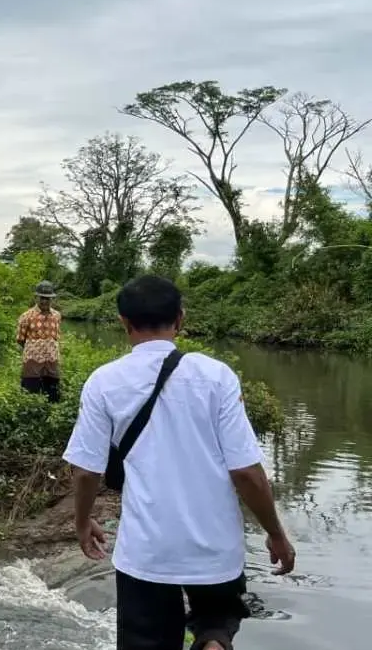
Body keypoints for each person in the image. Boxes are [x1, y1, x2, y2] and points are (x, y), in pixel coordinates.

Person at [62, 275, 295, 650]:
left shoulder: (104, 382)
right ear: (181, 319)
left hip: (147, 553)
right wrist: (276, 533)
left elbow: (88, 470)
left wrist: (82, 521)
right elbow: (247, 473)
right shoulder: (217, 376)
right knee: (216, 622)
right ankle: (213, 642)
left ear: (123, 323)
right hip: (215, 551)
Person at [16, 280, 62, 402]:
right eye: (42, 298)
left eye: (48, 298)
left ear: (52, 299)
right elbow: (20, 340)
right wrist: (35, 349)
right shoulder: (26, 316)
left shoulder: (57, 316)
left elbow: (57, 337)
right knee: (30, 393)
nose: (44, 301)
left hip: (51, 360)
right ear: (36, 297)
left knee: (53, 394)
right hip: (33, 360)